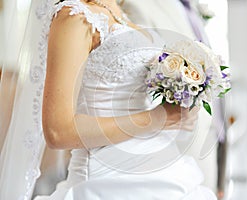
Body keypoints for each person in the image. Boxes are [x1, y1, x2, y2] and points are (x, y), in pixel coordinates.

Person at [0, 0, 219, 199]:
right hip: (105, 181)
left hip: (166, 174)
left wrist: (178, 106)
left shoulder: (123, 13)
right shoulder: (74, 17)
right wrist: (157, 118)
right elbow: (58, 132)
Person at [121, 0, 218, 191]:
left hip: (211, 134)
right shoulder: (136, 6)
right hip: (178, 146)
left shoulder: (189, 6)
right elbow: (135, 84)